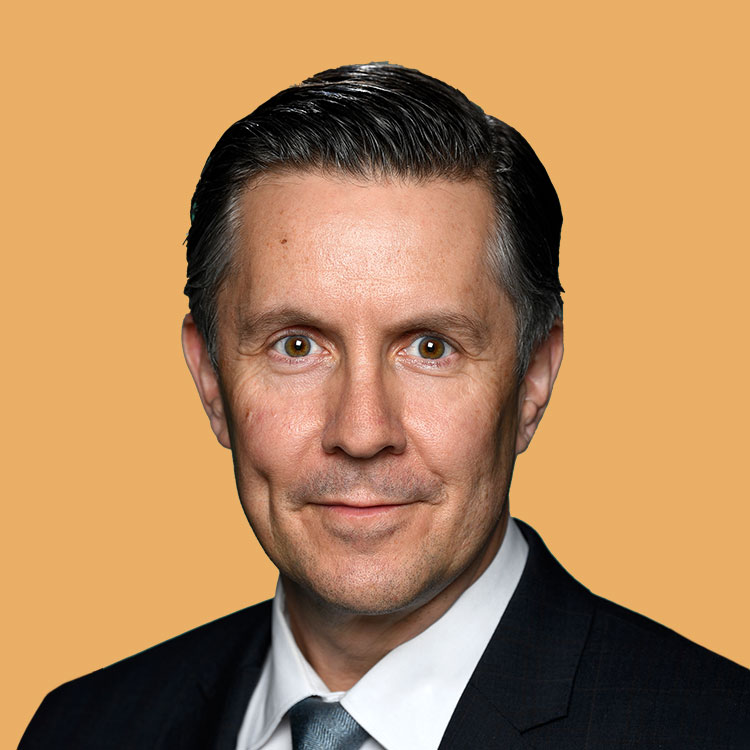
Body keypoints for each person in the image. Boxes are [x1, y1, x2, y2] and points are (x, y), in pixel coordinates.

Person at [20, 63, 749, 750]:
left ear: (533, 379)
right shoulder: (80, 730)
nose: (362, 431)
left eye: (430, 347)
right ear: (211, 379)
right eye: (297, 346)